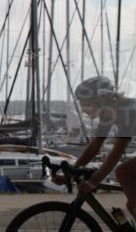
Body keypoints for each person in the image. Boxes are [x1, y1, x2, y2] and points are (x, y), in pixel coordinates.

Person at [57, 76, 135, 220]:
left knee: (123, 172)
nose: (82, 109)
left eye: (86, 104)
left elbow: (117, 151)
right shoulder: (108, 114)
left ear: (101, 101)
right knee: (132, 206)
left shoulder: (128, 111)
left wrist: (94, 181)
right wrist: (70, 173)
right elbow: (94, 146)